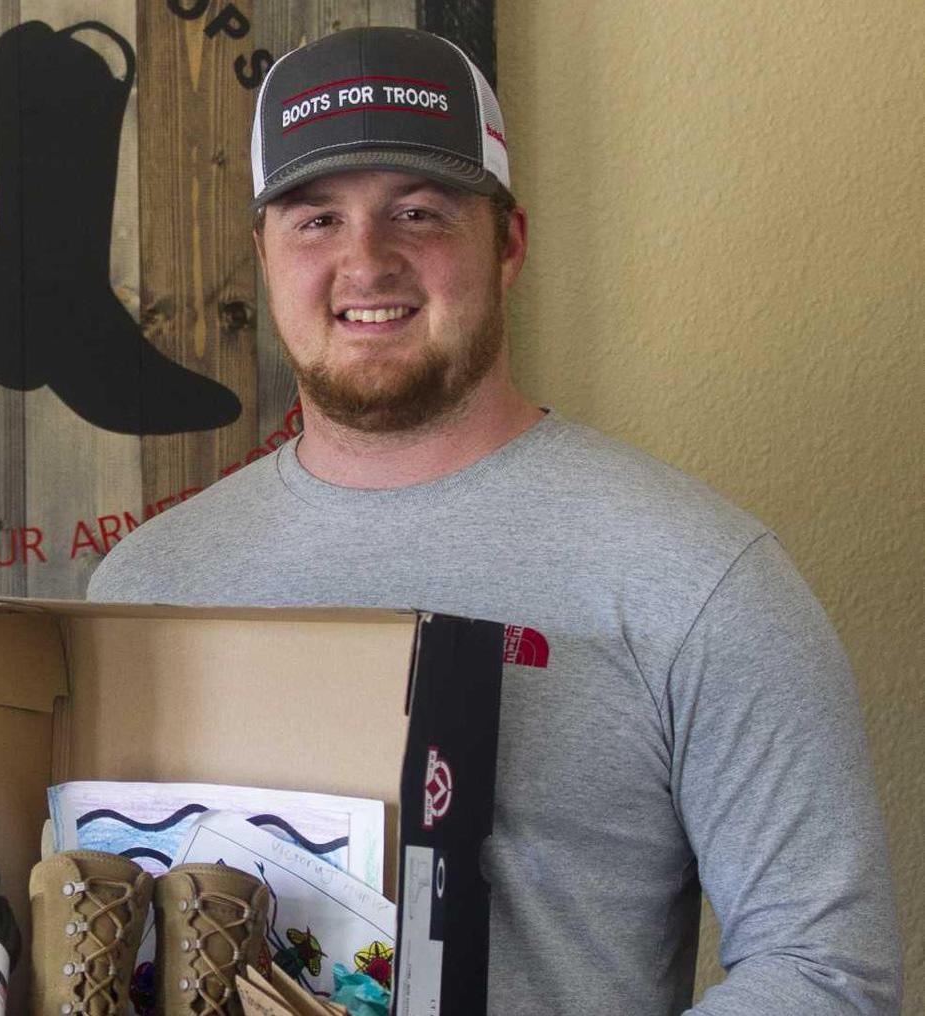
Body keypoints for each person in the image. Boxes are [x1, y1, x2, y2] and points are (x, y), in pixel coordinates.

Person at [88, 26, 901, 1015]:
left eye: (418, 212)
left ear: (506, 243)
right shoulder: (143, 584)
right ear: (262, 253)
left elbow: (825, 972)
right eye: (314, 219)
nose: (365, 261)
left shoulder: (694, 574)